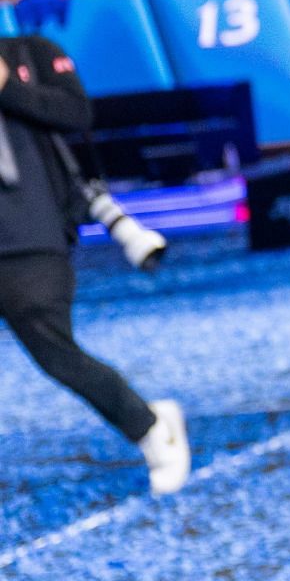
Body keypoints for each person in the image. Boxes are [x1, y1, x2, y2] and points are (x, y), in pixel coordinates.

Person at [0, 32, 190, 496]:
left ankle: (149, 426)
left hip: (27, 235)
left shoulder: (31, 52)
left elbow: (77, 114)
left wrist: (8, 87)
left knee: (54, 350)